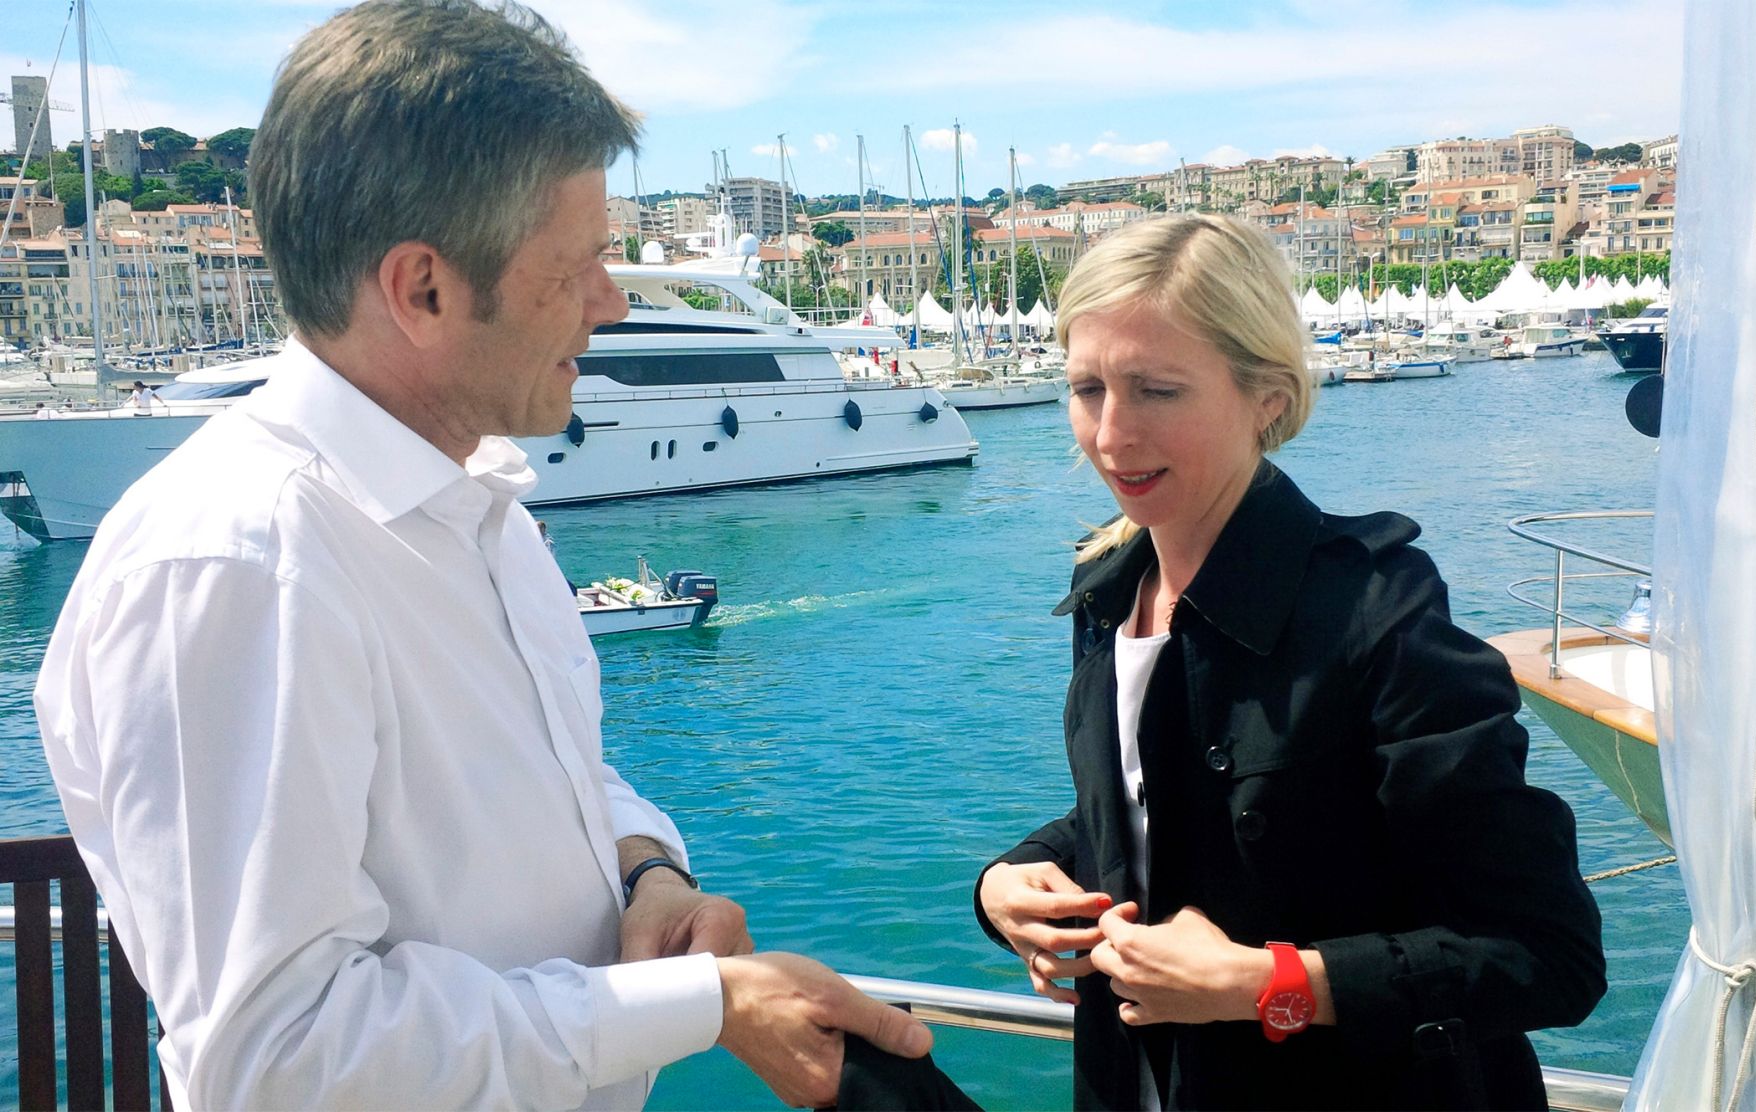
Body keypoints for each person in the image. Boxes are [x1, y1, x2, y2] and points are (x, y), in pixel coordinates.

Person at [34, 2, 929, 1108]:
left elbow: (554, 771)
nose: (607, 304)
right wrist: (707, 1001)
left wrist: (642, 862)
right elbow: (281, 1057)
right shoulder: (241, 563)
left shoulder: (476, 505)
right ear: (423, 289)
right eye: (580, 264)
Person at [974, 215, 1605, 1109]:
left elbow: (1550, 954)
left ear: (1266, 396)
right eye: (1087, 389)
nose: (1110, 437)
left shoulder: (1379, 611)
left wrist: (1264, 984)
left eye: (1155, 390)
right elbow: (1155, 803)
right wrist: (1008, 883)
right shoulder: (1109, 587)